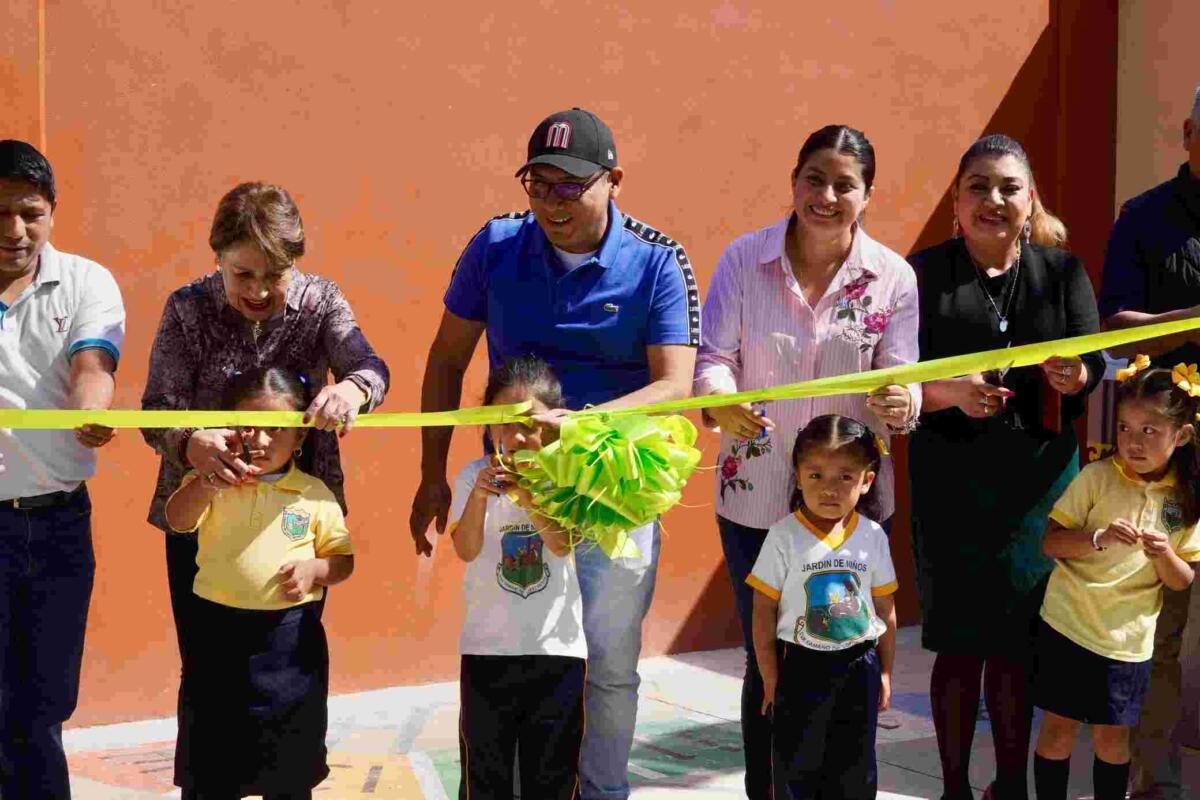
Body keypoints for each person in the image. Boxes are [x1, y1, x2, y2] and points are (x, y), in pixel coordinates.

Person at [410, 108, 698, 799]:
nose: (551, 202)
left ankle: (600, 792)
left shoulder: (660, 258)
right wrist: (429, 475)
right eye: (539, 184)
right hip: (515, 490)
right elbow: (448, 357)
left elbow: (674, 385)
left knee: (609, 663)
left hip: (612, 498)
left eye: (570, 186)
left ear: (613, 181)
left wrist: (580, 426)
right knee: (518, 652)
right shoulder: (496, 244)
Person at [693, 124, 918, 796]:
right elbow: (714, 359)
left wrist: (903, 401)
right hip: (756, 497)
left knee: (847, 648)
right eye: (813, 178)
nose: (826, 195)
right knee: (767, 654)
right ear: (793, 180)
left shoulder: (893, 279)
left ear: (867, 195)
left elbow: (903, 373)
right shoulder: (743, 260)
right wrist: (718, 399)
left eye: (844, 184)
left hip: (850, 504)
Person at [139, 181, 388, 788]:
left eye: (272, 274)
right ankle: (210, 781)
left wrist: (353, 390)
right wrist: (190, 441)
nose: (257, 290)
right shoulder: (187, 309)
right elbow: (157, 406)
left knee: (291, 663)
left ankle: (288, 776)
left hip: (297, 516)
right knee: (207, 665)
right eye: (241, 273)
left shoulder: (322, 302)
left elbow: (370, 367)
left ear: (295, 262)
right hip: (202, 509)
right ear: (216, 257)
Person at [909, 134, 1104, 800]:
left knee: (1020, 647)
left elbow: (1094, 360)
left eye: (1008, 188)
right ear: (956, 202)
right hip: (951, 485)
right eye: (978, 187)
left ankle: (1011, 789)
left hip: (1038, 489)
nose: (994, 200)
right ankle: (956, 788)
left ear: (1030, 200)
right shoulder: (923, 273)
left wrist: (1077, 374)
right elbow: (898, 379)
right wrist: (950, 394)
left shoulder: (1061, 272)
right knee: (961, 647)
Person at [0, 139, 126, 797]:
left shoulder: (86, 282)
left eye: (30, 212)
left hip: (54, 528)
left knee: (42, 710)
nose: (14, 231)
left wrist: (91, 412)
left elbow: (92, 366)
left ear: (51, 212)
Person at [164, 367, 354, 799]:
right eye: (249, 427)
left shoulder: (315, 495)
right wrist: (207, 483)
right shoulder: (214, 481)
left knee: (288, 773)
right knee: (211, 773)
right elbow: (177, 520)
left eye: (276, 430)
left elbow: (343, 561)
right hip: (215, 642)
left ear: (301, 438)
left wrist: (317, 571)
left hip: (288, 651)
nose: (262, 441)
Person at [1098, 84, 1200, 800]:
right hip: (1168, 459)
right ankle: (1154, 782)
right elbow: (1111, 323)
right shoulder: (1146, 216)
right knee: (1159, 628)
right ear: (1190, 134)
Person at [1033, 363, 1200, 800]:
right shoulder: (1095, 477)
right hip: (1068, 624)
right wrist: (1097, 538)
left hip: (1127, 641)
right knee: (1057, 730)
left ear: (1180, 436)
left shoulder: (1183, 498)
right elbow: (1051, 543)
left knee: (1112, 739)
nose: (1133, 440)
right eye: (1125, 427)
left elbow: (1182, 581)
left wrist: (1163, 553)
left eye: (1150, 430)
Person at [449, 355, 586, 800]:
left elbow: (563, 543)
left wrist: (529, 495)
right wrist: (481, 497)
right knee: (485, 773)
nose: (517, 436)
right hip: (487, 652)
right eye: (504, 423)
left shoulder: (564, 478)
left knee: (552, 773)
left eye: (529, 424)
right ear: (488, 425)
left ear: (551, 426)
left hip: (556, 652)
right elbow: (466, 549)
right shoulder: (472, 476)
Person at [747, 414, 898, 800]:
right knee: (798, 768)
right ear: (797, 475)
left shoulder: (873, 536)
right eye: (815, 475)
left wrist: (884, 671)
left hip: (859, 667)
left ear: (867, 480)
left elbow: (885, 608)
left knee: (855, 770)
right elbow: (763, 612)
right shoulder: (784, 536)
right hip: (801, 669)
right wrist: (769, 676)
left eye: (845, 476)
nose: (829, 488)